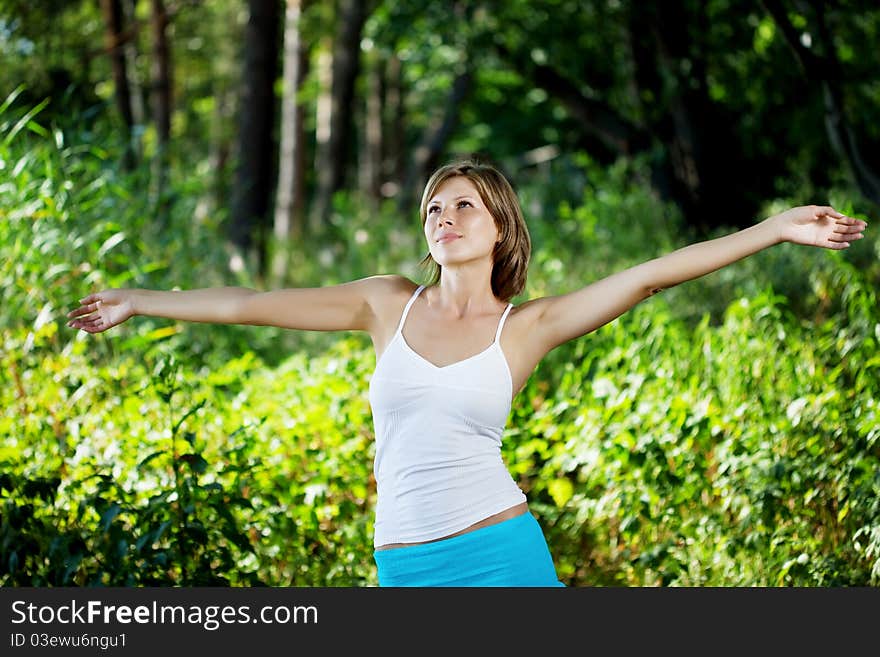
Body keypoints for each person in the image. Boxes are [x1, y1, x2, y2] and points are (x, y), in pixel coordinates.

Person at [66, 159, 868, 587]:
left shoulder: (528, 327)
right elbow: (252, 303)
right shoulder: (384, 304)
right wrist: (142, 299)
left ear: (499, 228)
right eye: (432, 210)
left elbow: (652, 274)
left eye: (463, 208)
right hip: (404, 562)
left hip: (502, 554)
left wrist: (772, 228)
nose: (443, 219)